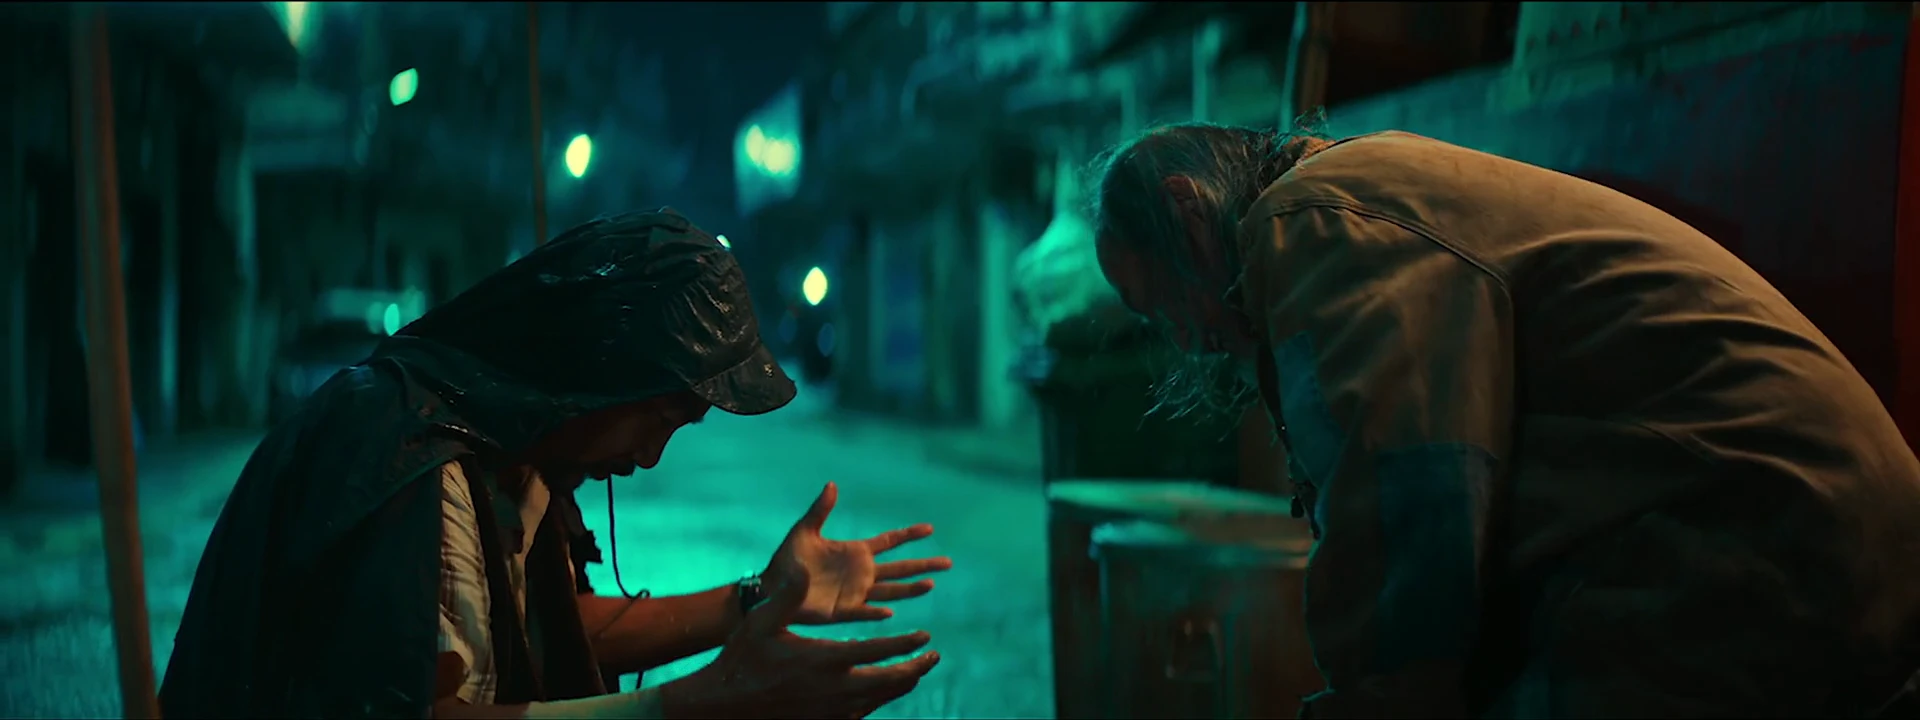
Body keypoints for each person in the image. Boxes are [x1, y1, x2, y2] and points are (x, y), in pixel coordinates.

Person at [1088, 120, 1920, 718]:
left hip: (1774, 526)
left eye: (1161, 302)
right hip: (1811, 524)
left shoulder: (1312, 222)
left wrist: (1370, 699)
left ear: (1188, 210)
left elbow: (1408, 503)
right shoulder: (1347, 196)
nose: (1183, 340)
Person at [159, 209, 952, 719]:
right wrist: (696, 704)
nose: (649, 457)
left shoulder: (517, 448)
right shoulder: (409, 458)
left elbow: (558, 626)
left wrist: (756, 598)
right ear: (600, 369)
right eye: (657, 419)